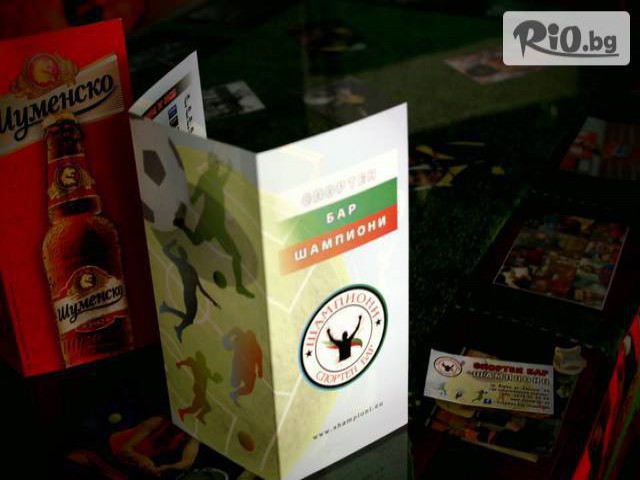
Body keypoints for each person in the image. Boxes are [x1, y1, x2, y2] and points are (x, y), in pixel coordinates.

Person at [174, 157, 254, 299]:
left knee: (236, 255)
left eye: (217, 165)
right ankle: (181, 225)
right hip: (208, 222)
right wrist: (184, 205)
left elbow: (221, 181)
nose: (217, 166)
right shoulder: (206, 179)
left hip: (218, 224)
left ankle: (239, 286)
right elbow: (195, 197)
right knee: (196, 241)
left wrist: (228, 169)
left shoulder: (214, 178)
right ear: (212, 165)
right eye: (216, 164)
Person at [160, 239, 219, 342]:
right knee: (189, 319)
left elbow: (165, 250)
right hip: (190, 296)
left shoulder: (182, 265)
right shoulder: (189, 268)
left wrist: (172, 243)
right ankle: (168, 311)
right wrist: (212, 300)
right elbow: (201, 289)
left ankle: (174, 320)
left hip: (189, 296)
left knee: (189, 319)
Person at [177, 351, 222, 424]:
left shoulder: (205, 369)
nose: (204, 360)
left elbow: (212, 378)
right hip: (198, 390)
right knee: (207, 407)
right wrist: (179, 364)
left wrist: (216, 379)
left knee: (194, 409)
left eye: (204, 358)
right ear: (199, 359)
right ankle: (199, 416)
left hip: (201, 392)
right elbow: (187, 362)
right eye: (202, 358)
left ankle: (182, 412)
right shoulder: (195, 364)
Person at [223, 328, 263, 406]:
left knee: (238, 384)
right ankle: (235, 393)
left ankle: (235, 393)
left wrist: (228, 335)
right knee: (242, 386)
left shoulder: (244, 338)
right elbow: (259, 361)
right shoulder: (256, 347)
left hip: (242, 368)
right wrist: (260, 372)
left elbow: (235, 330)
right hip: (244, 369)